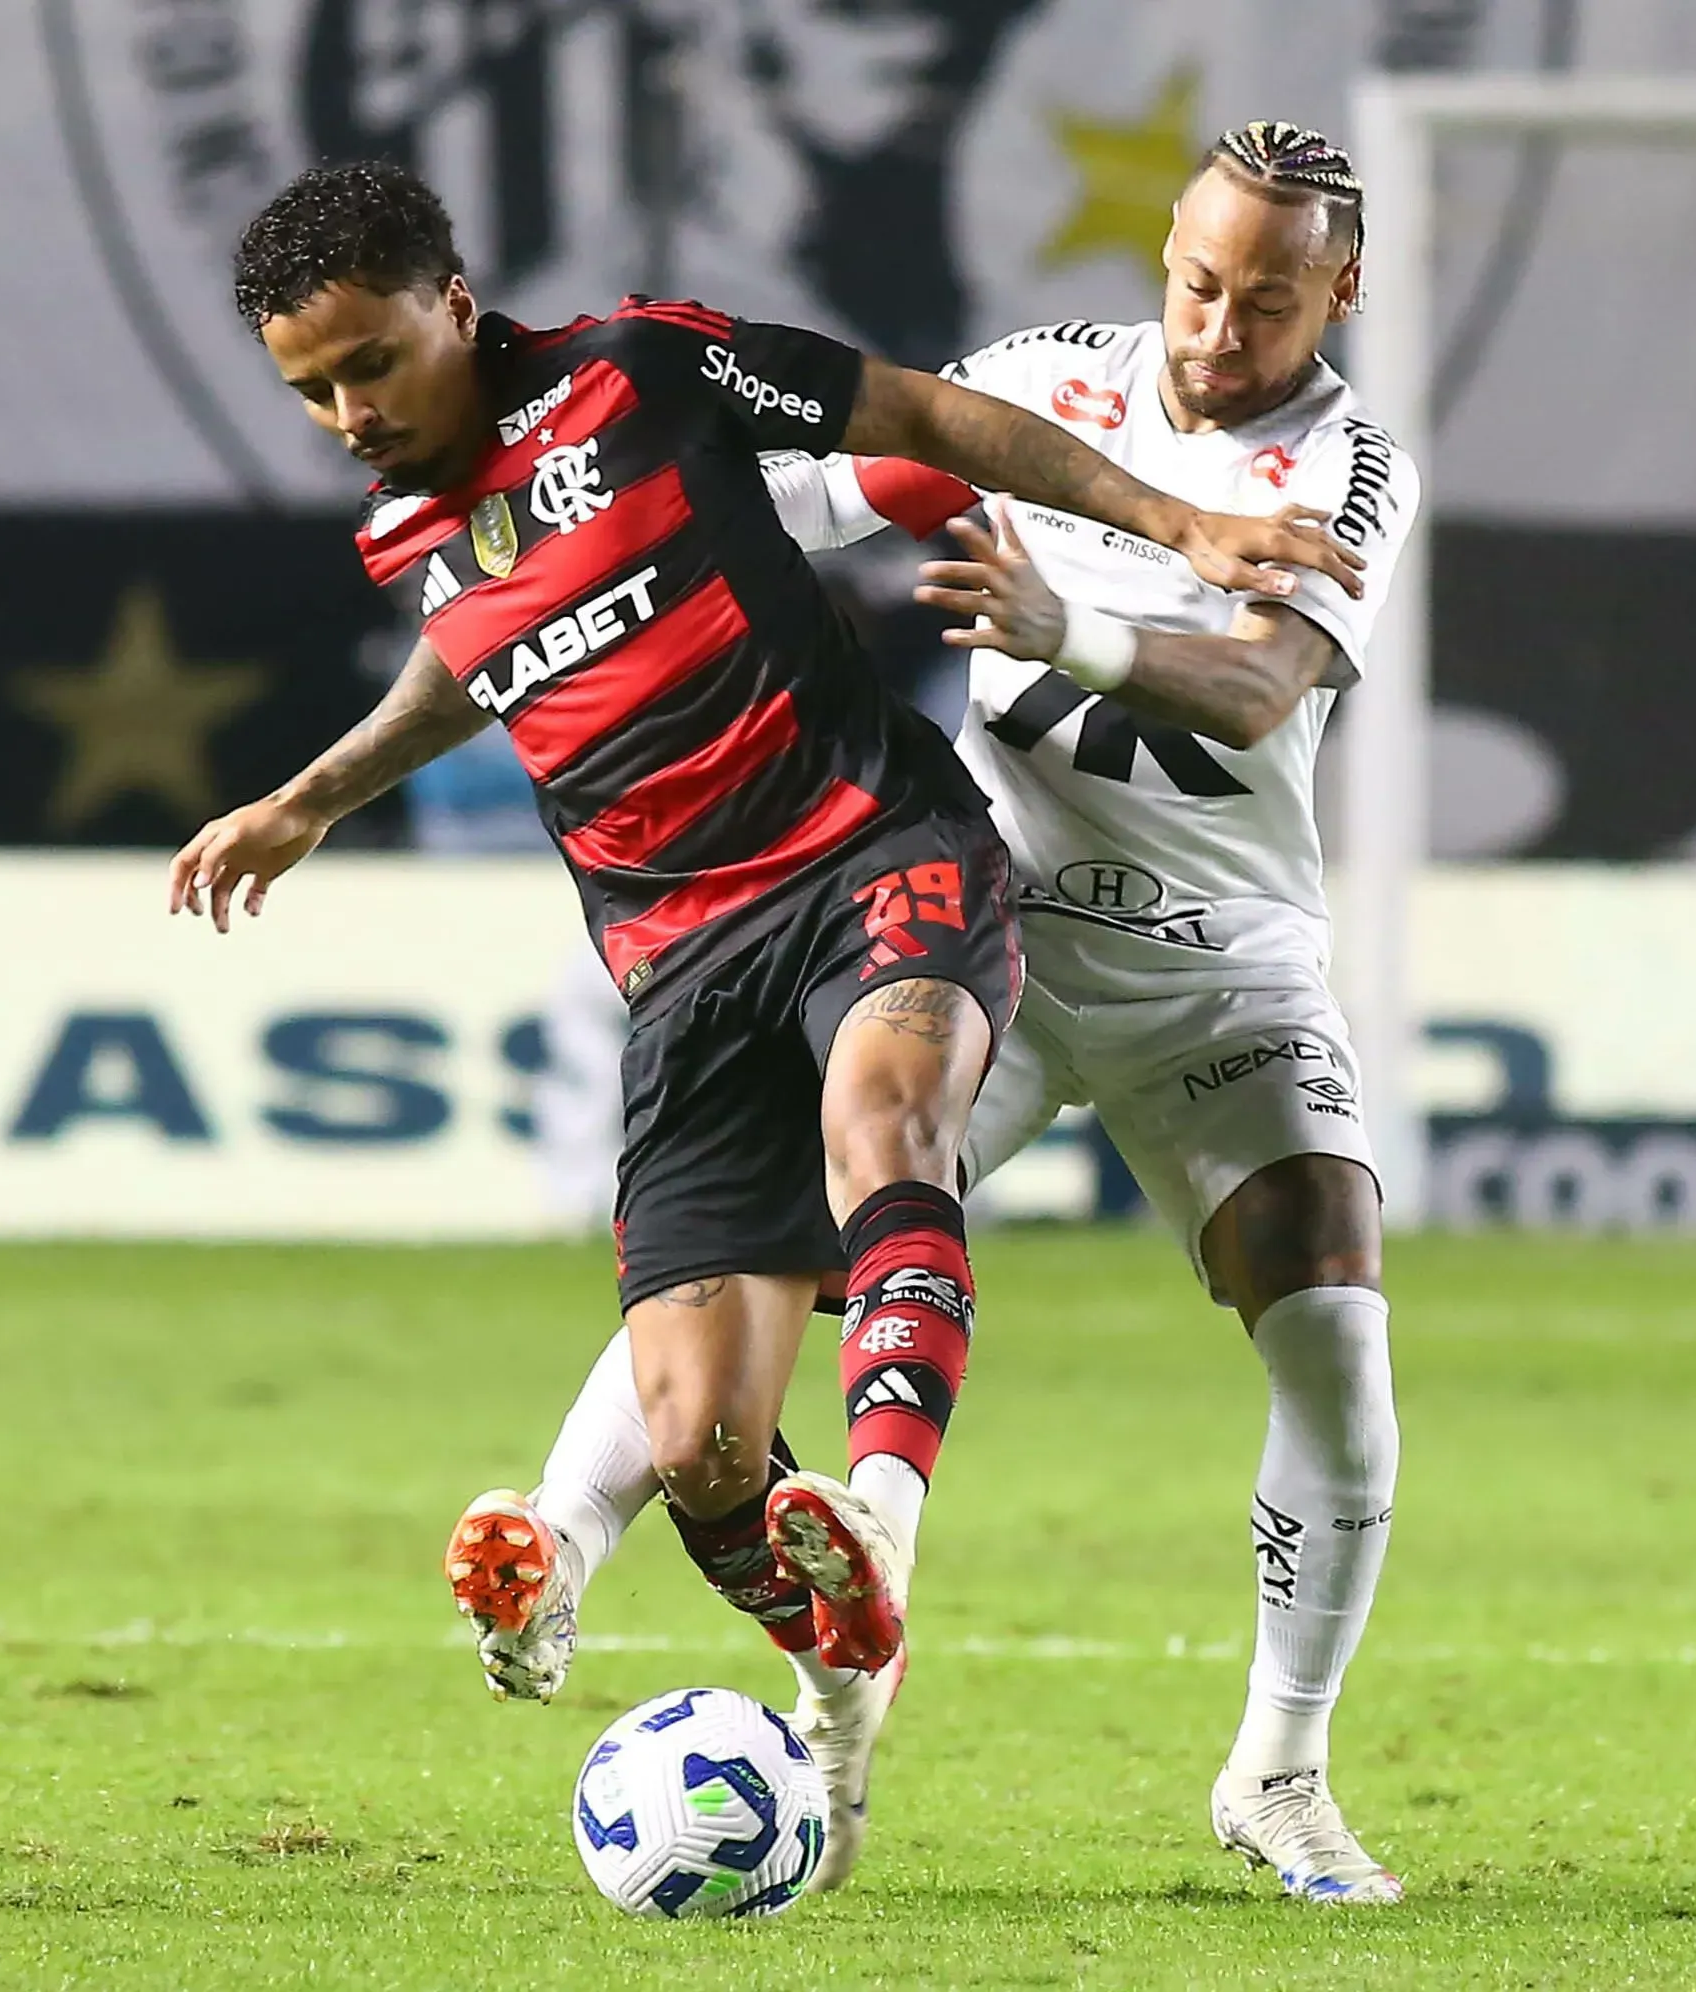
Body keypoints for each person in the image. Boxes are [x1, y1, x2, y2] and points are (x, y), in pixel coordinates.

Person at [164, 157, 1362, 1861]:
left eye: (370, 363)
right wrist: (315, 794)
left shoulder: (640, 370)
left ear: (450, 299)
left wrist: (1179, 526)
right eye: (311, 390)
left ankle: (873, 1511)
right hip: (679, 963)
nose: (350, 410)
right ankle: (828, 1634)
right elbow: (489, 643)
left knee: (885, 1124)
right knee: (704, 1445)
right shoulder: (406, 526)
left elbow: (922, 415)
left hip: (871, 844)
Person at [465, 123, 1421, 1905]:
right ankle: (571, 1536)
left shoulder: (1352, 463)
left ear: (1338, 291)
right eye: (1195, 281)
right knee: (772, 1237)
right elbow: (816, 492)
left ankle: (1277, 1772)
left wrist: (1065, 625)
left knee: (1338, 1351)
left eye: (1264, 298)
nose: (1216, 326)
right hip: (981, 919)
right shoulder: (1048, 390)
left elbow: (1253, 682)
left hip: (1217, 956)